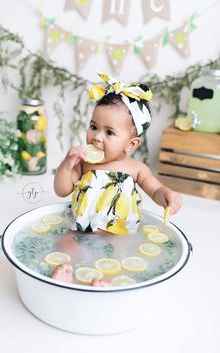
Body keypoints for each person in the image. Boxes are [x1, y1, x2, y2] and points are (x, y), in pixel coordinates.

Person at [52, 72, 182, 284]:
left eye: (109, 132)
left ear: (131, 144)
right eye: (94, 127)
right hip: (79, 229)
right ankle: (67, 272)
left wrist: (167, 194)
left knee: (116, 254)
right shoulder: (84, 163)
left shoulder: (136, 168)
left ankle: (104, 280)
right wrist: (67, 164)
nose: (97, 136)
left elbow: (156, 190)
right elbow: (62, 189)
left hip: (118, 233)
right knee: (65, 243)